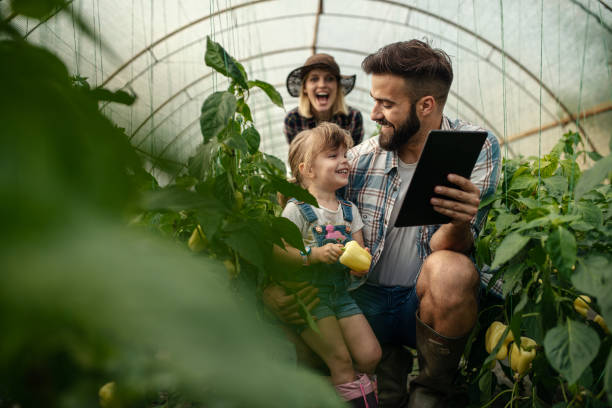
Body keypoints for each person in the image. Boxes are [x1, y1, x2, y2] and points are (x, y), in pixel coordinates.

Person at [265, 39, 501, 408]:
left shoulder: (475, 147)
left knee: (452, 272)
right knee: (295, 307)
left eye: (387, 104)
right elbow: (299, 216)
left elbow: (448, 246)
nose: (373, 113)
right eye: (374, 100)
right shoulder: (356, 160)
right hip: (360, 299)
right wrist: (276, 287)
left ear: (426, 106)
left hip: (419, 305)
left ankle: (429, 393)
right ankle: (345, 383)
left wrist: (460, 220)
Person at [275, 122, 381, 407]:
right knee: (340, 360)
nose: (344, 161)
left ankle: (356, 392)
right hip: (312, 298)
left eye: (345, 154)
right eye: (333, 155)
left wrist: (361, 264)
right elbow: (279, 253)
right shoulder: (296, 210)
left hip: (341, 295)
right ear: (307, 170)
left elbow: (358, 249)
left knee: (370, 355)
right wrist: (312, 256)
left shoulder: (349, 211)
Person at [284, 53, 364, 146]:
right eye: (314, 79)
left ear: (337, 86)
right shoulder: (293, 119)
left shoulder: (353, 118)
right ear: (305, 88)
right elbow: (298, 158)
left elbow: (354, 158)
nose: (322, 85)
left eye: (329, 79)